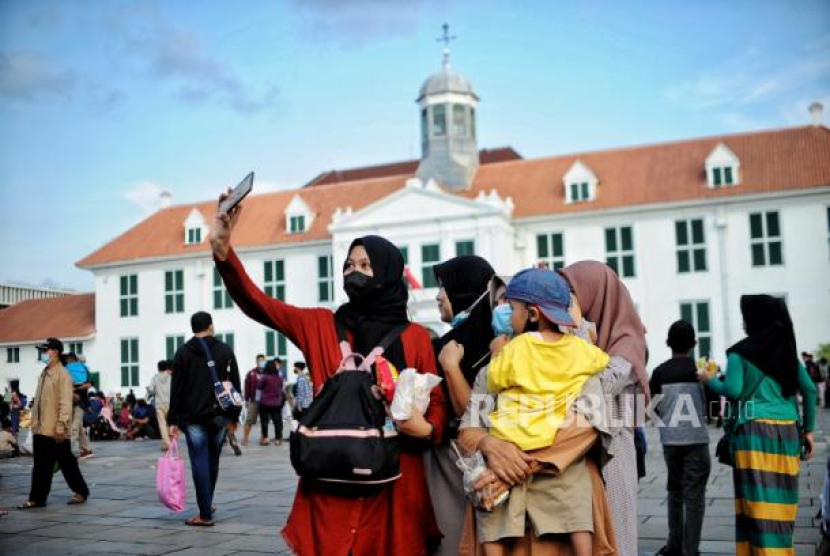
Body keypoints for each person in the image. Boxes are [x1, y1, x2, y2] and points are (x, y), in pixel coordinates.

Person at [212, 193, 446, 556]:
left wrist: (429, 429)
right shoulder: (320, 324)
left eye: (366, 265)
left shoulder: (414, 337)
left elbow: (436, 406)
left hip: (396, 483)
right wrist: (224, 250)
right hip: (331, 476)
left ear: (387, 272)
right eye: (349, 265)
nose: (354, 272)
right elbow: (261, 304)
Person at [478, 268, 609, 555]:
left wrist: (496, 354)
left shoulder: (518, 346)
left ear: (533, 314)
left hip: (511, 443)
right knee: (576, 503)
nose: (507, 314)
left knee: (491, 514)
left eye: (511, 308)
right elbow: (601, 361)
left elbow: (494, 379)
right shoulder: (579, 349)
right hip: (554, 443)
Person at [703, 295, 816, 555]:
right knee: (782, 501)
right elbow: (809, 390)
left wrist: (708, 380)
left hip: (753, 433)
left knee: (756, 501)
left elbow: (733, 390)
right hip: (788, 432)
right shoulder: (787, 352)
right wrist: (808, 431)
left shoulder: (739, 353)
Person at [559, 261, 648, 556]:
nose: (569, 300)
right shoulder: (588, 336)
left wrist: (578, 332)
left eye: (573, 292)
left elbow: (600, 385)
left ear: (594, 292)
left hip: (614, 450)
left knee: (616, 533)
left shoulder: (628, 341)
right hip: (581, 446)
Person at [427, 255, 496, 556]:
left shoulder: (458, 348)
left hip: (458, 459)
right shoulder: (488, 339)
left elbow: (472, 412)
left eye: (444, 287)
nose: (438, 296)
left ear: (464, 290)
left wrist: (451, 369)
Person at [168, 311, 241, 527]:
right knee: (213, 460)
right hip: (219, 416)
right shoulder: (224, 349)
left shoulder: (182, 353)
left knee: (200, 460)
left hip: (192, 417)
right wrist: (234, 416)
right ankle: (206, 504)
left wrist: (173, 419)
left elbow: (177, 388)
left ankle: (205, 511)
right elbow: (234, 382)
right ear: (210, 326)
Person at [649, 320, 711, 556]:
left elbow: (651, 409)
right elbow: (714, 409)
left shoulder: (660, 372)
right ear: (694, 343)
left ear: (667, 343)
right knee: (694, 497)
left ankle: (674, 545)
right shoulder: (701, 372)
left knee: (674, 492)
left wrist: (664, 425)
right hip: (696, 442)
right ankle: (690, 550)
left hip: (670, 443)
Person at [18, 338, 90, 509]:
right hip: (41, 427)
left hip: (56, 429)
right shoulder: (45, 373)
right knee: (41, 465)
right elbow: (40, 401)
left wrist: (60, 426)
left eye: (45, 350)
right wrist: (34, 422)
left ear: (55, 352)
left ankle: (81, 491)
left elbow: (65, 402)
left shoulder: (63, 374)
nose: (43, 354)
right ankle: (37, 499)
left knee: (66, 463)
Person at [65, 352, 94, 459]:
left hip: (79, 404)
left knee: (74, 428)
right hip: (71, 403)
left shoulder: (82, 371)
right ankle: (86, 449)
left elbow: (87, 386)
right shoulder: (69, 370)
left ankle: (66, 452)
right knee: (79, 429)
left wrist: (75, 389)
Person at [257, 359, 285, 446]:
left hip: (265, 402)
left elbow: (259, 387)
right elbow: (281, 388)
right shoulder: (279, 378)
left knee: (264, 421)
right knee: (277, 421)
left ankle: (265, 438)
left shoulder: (264, 377)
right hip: (276, 403)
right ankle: (278, 439)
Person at [148, 360, 173, 451]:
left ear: (158, 368)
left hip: (159, 404)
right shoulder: (170, 377)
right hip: (170, 403)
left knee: (162, 424)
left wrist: (151, 390)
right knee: (170, 423)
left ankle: (167, 443)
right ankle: (167, 443)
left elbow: (151, 390)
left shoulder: (155, 377)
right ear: (166, 367)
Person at [242, 354, 265, 446]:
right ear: (257, 361)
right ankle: (245, 438)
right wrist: (247, 399)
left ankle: (263, 438)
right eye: (260, 360)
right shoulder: (251, 373)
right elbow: (247, 386)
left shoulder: (268, 372)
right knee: (249, 420)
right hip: (253, 400)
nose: (262, 362)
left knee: (264, 420)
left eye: (263, 361)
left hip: (265, 401)